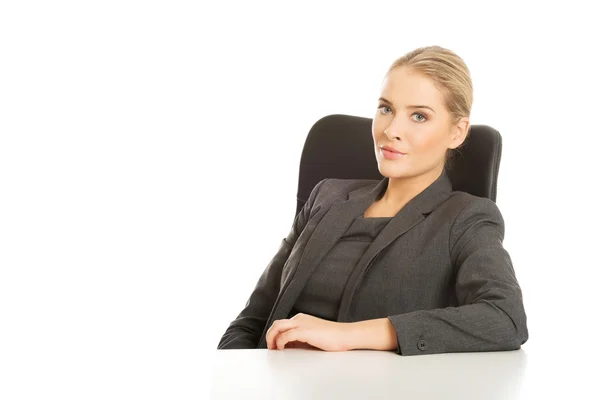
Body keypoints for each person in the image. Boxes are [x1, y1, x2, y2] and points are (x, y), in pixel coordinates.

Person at [217, 45, 528, 356]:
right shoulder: (326, 196)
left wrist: (349, 335)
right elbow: (251, 322)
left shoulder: (465, 218)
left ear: (457, 132)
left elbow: (505, 318)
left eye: (419, 116)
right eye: (386, 109)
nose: (391, 130)